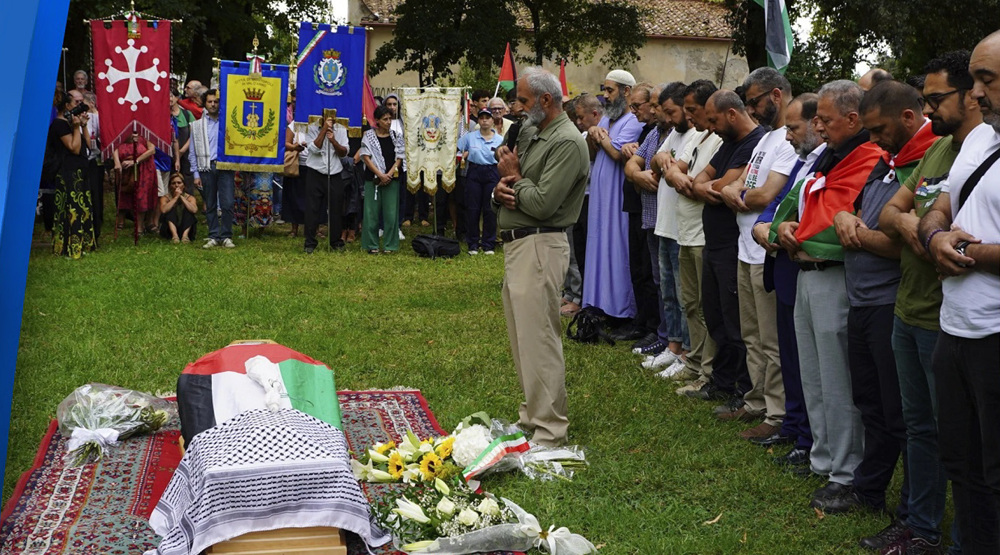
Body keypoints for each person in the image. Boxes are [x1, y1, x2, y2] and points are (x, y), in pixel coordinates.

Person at [877, 50, 979, 555]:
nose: (929, 110)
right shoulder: (936, 152)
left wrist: (921, 227)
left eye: (937, 100)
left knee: (956, 438)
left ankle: (964, 536)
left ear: (971, 96)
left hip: (950, 316)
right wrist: (919, 227)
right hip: (909, 308)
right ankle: (920, 527)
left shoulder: (980, 155)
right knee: (919, 427)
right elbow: (891, 211)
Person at [773, 80, 883, 514]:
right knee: (813, 373)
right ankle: (822, 457)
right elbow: (795, 203)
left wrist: (800, 235)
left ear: (853, 120)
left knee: (838, 381)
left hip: (835, 275)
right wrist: (784, 228)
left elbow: (841, 219)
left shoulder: (867, 156)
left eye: (824, 119)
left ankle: (846, 470)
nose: (817, 126)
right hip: (805, 270)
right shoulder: (828, 155)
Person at [918, 31, 1000, 554]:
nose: (976, 93)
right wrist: (935, 235)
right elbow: (940, 206)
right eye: (974, 80)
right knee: (962, 464)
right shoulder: (980, 139)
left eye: (987, 79)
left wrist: (966, 253)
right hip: (954, 328)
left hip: (995, 333)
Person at [494, 67, 589, 447]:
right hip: (520, 245)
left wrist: (515, 177)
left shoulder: (566, 142)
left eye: (522, 100)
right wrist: (500, 189)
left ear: (546, 101)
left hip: (540, 244)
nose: (516, 106)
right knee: (524, 339)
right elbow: (511, 184)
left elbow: (544, 204)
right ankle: (533, 417)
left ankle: (550, 429)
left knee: (540, 339)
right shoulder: (535, 132)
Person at [719, 67, 798, 441]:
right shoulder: (766, 139)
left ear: (776, 95)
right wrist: (736, 192)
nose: (750, 108)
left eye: (754, 101)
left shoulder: (787, 141)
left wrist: (737, 196)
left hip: (764, 250)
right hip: (744, 246)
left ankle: (778, 412)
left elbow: (766, 195)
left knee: (771, 340)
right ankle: (756, 400)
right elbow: (740, 183)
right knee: (752, 334)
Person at [752, 92, 825, 463]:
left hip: (801, 269)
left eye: (794, 128)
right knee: (792, 356)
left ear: (817, 124)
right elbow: (781, 202)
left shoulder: (824, 161)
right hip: (783, 269)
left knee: (804, 361)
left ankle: (808, 438)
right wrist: (766, 224)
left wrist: (773, 225)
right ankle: (796, 429)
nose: (788, 136)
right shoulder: (805, 161)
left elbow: (806, 214)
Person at [693, 90, 764, 420]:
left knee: (737, 323)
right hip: (715, 243)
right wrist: (712, 188)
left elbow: (723, 186)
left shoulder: (754, 143)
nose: (711, 127)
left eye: (714, 120)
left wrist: (713, 187)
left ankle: (741, 387)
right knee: (716, 314)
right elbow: (701, 182)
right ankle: (721, 381)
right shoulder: (727, 143)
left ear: (732, 115)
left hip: (735, 245)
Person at [660, 80, 724, 399]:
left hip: (702, 234)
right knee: (689, 301)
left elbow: (701, 185)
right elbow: (672, 169)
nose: (688, 117)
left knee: (705, 305)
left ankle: (708, 371)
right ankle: (694, 360)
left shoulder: (720, 139)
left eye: (692, 110)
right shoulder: (697, 135)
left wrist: (684, 179)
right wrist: (679, 177)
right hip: (684, 232)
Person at [582, 69, 643, 325]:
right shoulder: (606, 120)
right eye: (604, 90)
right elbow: (595, 152)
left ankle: (619, 309)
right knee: (597, 244)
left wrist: (601, 136)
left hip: (617, 198)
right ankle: (597, 303)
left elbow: (618, 155)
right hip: (598, 197)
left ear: (626, 92)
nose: (605, 96)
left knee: (616, 249)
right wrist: (596, 136)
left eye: (610, 90)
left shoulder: (633, 122)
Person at [48, 90, 96, 258]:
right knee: (72, 210)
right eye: (76, 103)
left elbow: (87, 146)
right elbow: (74, 148)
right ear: (67, 106)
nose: (80, 106)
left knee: (82, 208)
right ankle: (70, 246)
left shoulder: (71, 122)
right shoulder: (59, 124)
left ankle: (84, 244)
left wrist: (82, 126)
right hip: (68, 173)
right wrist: (76, 127)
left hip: (80, 171)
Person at [188, 88, 236, 248]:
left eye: (216, 101)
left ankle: (227, 235)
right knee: (210, 203)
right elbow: (193, 151)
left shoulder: (229, 122)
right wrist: (195, 173)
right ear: (205, 103)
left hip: (226, 166)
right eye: (210, 101)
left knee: (228, 203)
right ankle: (214, 235)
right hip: (206, 168)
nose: (213, 104)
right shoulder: (196, 125)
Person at [458, 108, 504, 255]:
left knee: (489, 209)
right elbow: (458, 150)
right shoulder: (470, 137)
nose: (484, 120)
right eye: (482, 117)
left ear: (493, 120)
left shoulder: (500, 139)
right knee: (473, 208)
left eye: (488, 118)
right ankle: (473, 243)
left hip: (492, 172)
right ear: (478, 120)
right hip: (474, 172)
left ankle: (488, 244)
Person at [359, 105, 404, 254]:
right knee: (371, 213)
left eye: (390, 118)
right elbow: (365, 157)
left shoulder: (396, 136)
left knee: (391, 214)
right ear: (377, 121)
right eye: (385, 119)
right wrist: (379, 174)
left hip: (392, 179)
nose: (388, 122)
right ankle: (372, 245)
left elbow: (399, 158)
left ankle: (390, 245)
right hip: (373, 179)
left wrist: (388, 174)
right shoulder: (369, 136)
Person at [303, 111, 349, 253]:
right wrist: (323, 131)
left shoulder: (341, 128)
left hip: (334, 172)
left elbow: (344, 152)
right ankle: (310, 242)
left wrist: (334, 140)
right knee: (312, 208)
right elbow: (313, 149)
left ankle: (335, 241)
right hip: (315, 172)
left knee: (336, 208)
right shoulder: (311, 126)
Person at [113, 131, 157, 234]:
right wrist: (117, 162)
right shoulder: (120, 132)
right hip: (126, 170)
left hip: (144, 168)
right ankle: (121, 221)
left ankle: (140, 226)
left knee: (141, 196)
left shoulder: (145, 133)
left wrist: (136, 161)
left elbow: (152, 150)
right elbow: (113, 145)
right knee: (124, 194)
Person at [284, 121, 309, 238]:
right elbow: (286, 143)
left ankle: (315, 228)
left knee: (314, 197)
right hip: (297, 164)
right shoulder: (294, 125)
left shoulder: (317, 122)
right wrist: (295, 147)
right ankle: (294, 229)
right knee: (294, 196)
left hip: (315, 164)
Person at [158, 172, 198, 243]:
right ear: (170, 186)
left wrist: (181, 197)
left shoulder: (190, 198)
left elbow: (194, 210)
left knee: (189, 211)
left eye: (179, 183)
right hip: (168, 229)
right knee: (170, 209)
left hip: (185, 226)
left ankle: (185, 236)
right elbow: (163, 210)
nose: (176, 185)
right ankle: (174, 236)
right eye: (173, 183)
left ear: (184, 185)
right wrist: (175, 198)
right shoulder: (165, 198)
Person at [170, 89, 196, 188]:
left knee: (187, 178)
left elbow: (193, 134)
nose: (169, 99)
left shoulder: (187, 114)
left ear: (177, 98)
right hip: (170, 154)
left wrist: (182, 150)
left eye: (171, 96)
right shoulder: (164, 115)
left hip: (186, 153)